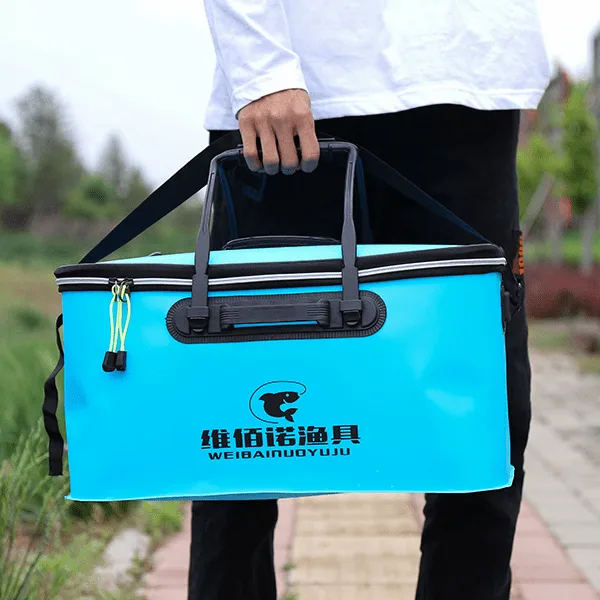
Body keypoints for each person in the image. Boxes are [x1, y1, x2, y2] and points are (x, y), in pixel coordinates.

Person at [188, 2, 550, 599]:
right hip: (300, 90)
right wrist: (260, 69)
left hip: (470, 85)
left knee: (485, 425)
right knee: (237, 426)